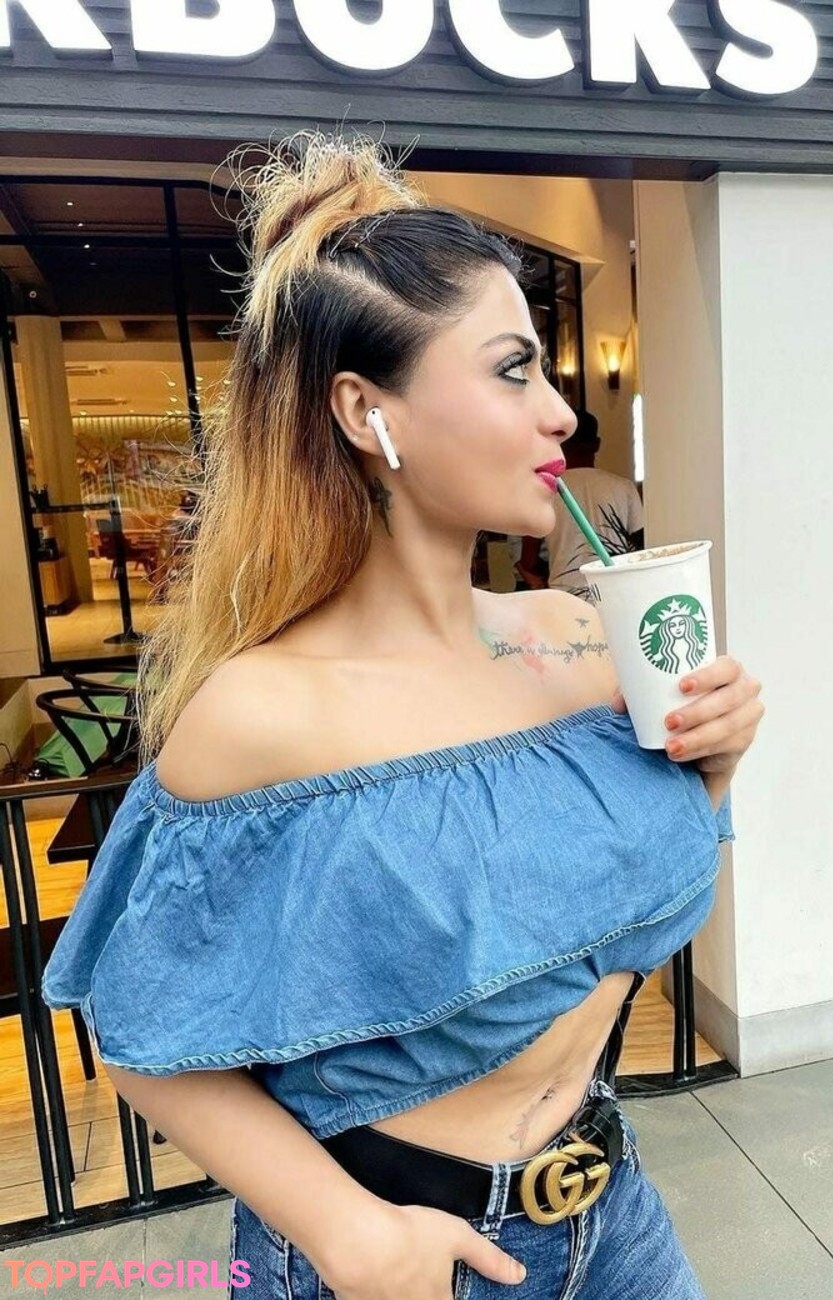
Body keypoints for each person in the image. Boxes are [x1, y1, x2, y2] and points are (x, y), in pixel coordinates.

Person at [41, 131, 764, 1300]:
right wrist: (349, 1233)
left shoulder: (577, 638)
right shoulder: (262, 713)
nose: (562, 414)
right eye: (513, 371)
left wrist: (712, 762)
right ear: (367, 412)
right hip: (400, 1252)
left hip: (614, 1214)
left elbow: (628, 906)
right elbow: (142, 1032)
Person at [516, 412, 643, 599]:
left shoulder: (545, 490)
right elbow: (640, 550)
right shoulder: (624, 487)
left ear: (561, 443)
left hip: (566, 596)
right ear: (597, 444)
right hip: (616, 592)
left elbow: (528, 561)